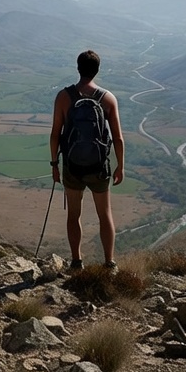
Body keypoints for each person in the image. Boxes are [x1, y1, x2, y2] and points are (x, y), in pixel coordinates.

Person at [49, 49, 124, 269]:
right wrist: (121, 166)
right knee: (105, 214)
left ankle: (76, 261)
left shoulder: (64, 97)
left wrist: (54, 164)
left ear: (78, 68)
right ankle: (110, 263)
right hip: (100, 167)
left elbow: (55, 134)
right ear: (97, 70)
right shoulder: (107, 99)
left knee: (74, 214)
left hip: (72, 167)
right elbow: (117, 138)